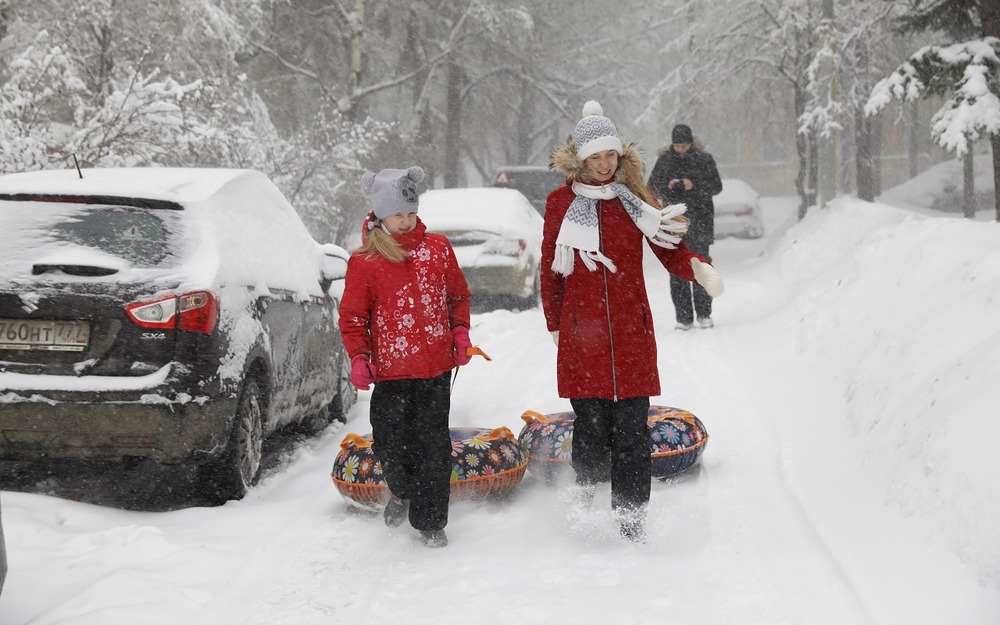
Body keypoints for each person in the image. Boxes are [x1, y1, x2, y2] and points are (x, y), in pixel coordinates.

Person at [541, 101, 724, 542]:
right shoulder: (560, 202)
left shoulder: (637, 198)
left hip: (630, 329)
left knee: (631, 431)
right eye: (595, 157)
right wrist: (555, 322)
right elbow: (550, 265)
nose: (604, 165)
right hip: (581, 332)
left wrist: (695, 266)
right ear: (581, 159)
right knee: (590, 429)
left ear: (620, 157)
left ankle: (630, 517)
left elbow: (668, 247)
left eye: (610, 156)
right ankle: (583, 498)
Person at [338, 165, 473, 549]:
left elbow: (457, 296)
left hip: (434, 369)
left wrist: (459, 331)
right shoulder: (365, 262)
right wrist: (359, 356)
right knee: (392, 444)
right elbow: (352, 317)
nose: (406, 220)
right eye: (398, 214)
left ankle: (431, 522)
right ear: (381, 214)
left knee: (433, 446)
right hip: (392, 372)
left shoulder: (437, 249)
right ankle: (401, 489)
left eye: (411, 213)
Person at [647, 124, 723, 330]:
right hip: (674, 224)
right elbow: (651, 187)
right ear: (672, 144)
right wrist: (669, 186)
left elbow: (717, 186)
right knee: (677, 270)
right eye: (677, 145)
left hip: (701, 221)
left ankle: (704, 314)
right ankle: (683, 318)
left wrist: (694, 184)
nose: (681, 149)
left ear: (691, 143)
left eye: (684, 145)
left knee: (702, 267)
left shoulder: (704, 160)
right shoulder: (664, 161)